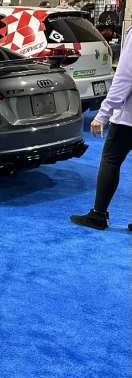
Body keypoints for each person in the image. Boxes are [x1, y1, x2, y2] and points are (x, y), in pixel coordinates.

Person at [70, 31, 132, 231]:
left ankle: (98, 214)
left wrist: (103, 114)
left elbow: (124, 78)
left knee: (111, 159)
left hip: (128, 119)